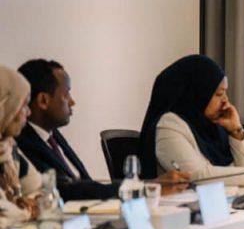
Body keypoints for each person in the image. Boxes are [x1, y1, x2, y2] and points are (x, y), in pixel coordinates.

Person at [16, 59, 189, 200]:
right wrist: (145, 187)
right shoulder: (22, 142)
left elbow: (84, 183)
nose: (72, 102)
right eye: (66, 94)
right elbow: (67, 190)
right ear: (43, 101)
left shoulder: (53, 136)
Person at [139, 55, 244, 185]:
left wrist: (236, 131)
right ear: (197, 93)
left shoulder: (214, 126)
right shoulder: (168, 125)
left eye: (225, 92)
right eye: (219, 94)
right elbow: (199, 177)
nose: (225, 101)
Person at [0, 66, 41, 221]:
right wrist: (26, 211)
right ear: (5, 106)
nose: (29, 112)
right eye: (24, 104)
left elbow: (40, 190)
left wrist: (33, 202)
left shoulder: (8, 148)